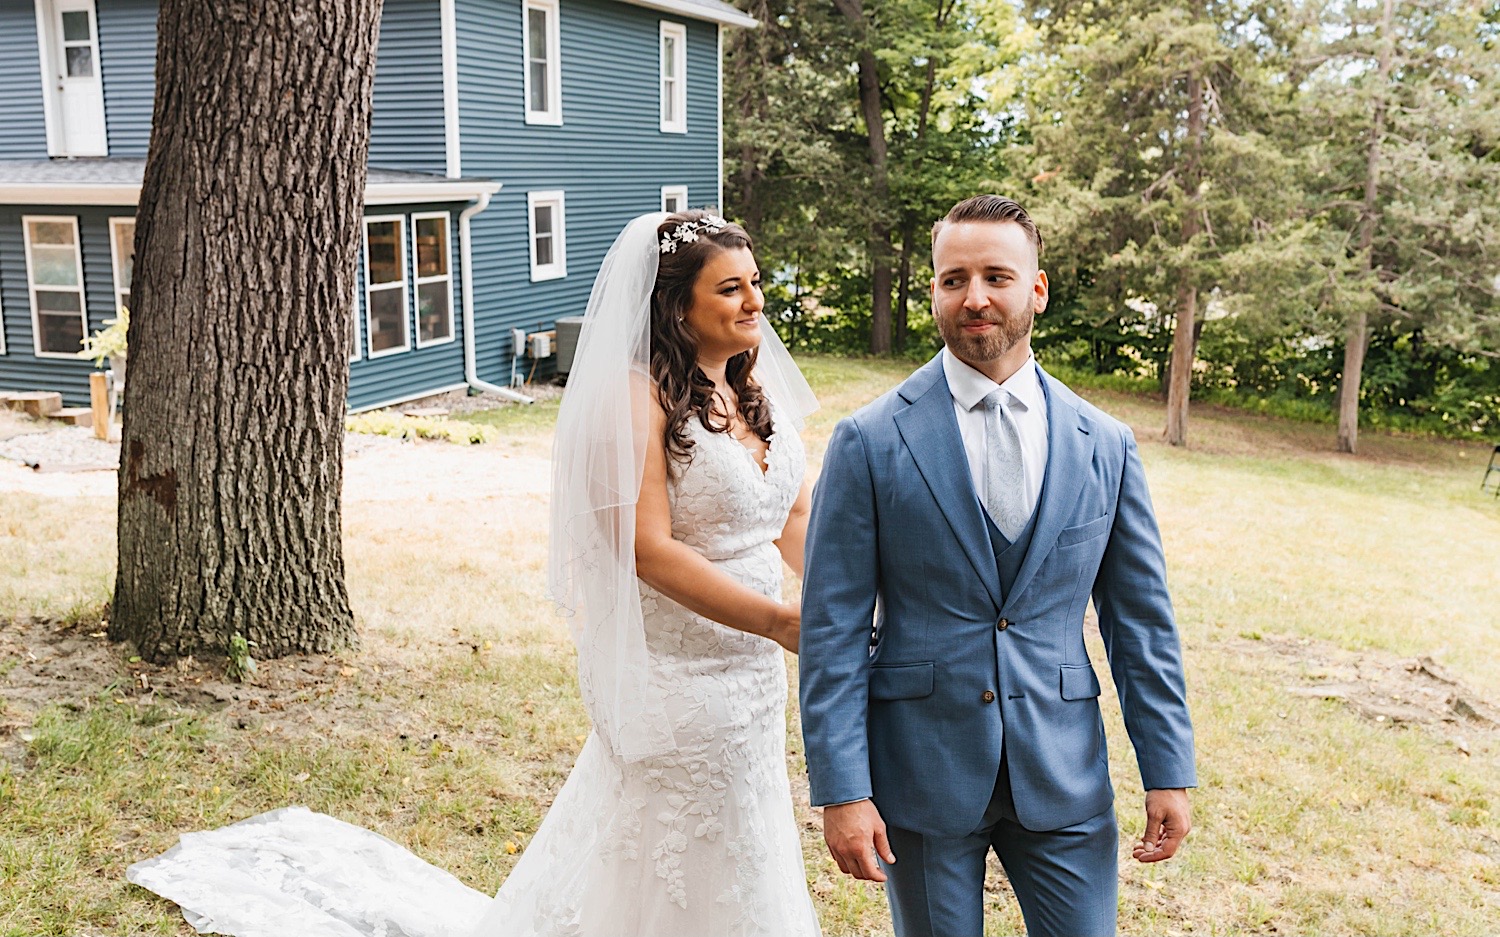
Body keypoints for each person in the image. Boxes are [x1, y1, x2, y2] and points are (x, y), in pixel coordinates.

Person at [124, 211, 823, 937]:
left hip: (750, 670)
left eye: (756, 283)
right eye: (732, 289)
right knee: (670, 828)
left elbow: (791, 517)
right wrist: (774, 619)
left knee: (746, 818)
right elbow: (643, 547)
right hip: (683, 667)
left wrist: (835, 598)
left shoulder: (750, 389)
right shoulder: (633, 396)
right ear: (678, 305)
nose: (756, 303)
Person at [798, 194, 1196, 937]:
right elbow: (832, 628)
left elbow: (1141, 621)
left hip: (1064, 769)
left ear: (1036, 290)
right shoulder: (869, 440)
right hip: (920, 772)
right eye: (953, 279)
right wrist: (842, 789)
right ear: (934, 294)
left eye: (995, 276)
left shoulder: (1104, 443)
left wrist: (1167, 765)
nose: (974, 297)